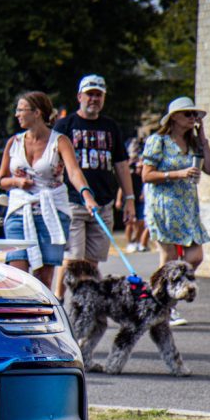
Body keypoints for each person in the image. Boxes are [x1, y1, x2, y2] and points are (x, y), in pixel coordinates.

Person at [0, 91, 96, 289]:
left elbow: (74, 172)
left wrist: (87, 195)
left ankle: (39, 316)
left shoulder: (59, 141)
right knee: (17, 273)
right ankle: (18, 316)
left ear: (37, 112)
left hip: (51, 211)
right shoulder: (14, 142)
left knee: (43, 277)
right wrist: (17, 182)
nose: (17, 114)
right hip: (19, 210)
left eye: (21, 110)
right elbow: (1, 180)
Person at [52, 75, 135, 300]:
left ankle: (86, 303)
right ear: (80, 96)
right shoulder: (65, 125)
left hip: (104, 201)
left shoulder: (110, 127)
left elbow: (120, 163)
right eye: (90, 94)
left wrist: (129, 198)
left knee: (91, 261)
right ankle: (58, 299)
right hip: (72, 200)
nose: (94, 99)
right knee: (72, 257)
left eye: (98, 95)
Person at [141, 97, 210, 326]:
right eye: (188, 114)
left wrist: (203, 139)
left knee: (195, 256)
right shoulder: (159, 141)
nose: (193, 119)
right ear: (174, 117)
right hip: (163, 206)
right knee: (169, 257)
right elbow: (146, 175)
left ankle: (160, 297)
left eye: (195, 115)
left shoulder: (194, 144)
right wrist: (177, 174)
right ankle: (165, 306)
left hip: (187, 207)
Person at [121, 138, 149, 253]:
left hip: (140, 198)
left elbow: (146, 183)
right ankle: (130, 243)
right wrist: (120, 199)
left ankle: (137, 242)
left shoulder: (143, 171)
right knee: (130, 223)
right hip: (129, 196)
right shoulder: (129, 171)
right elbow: (121, 185)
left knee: (140, 223)